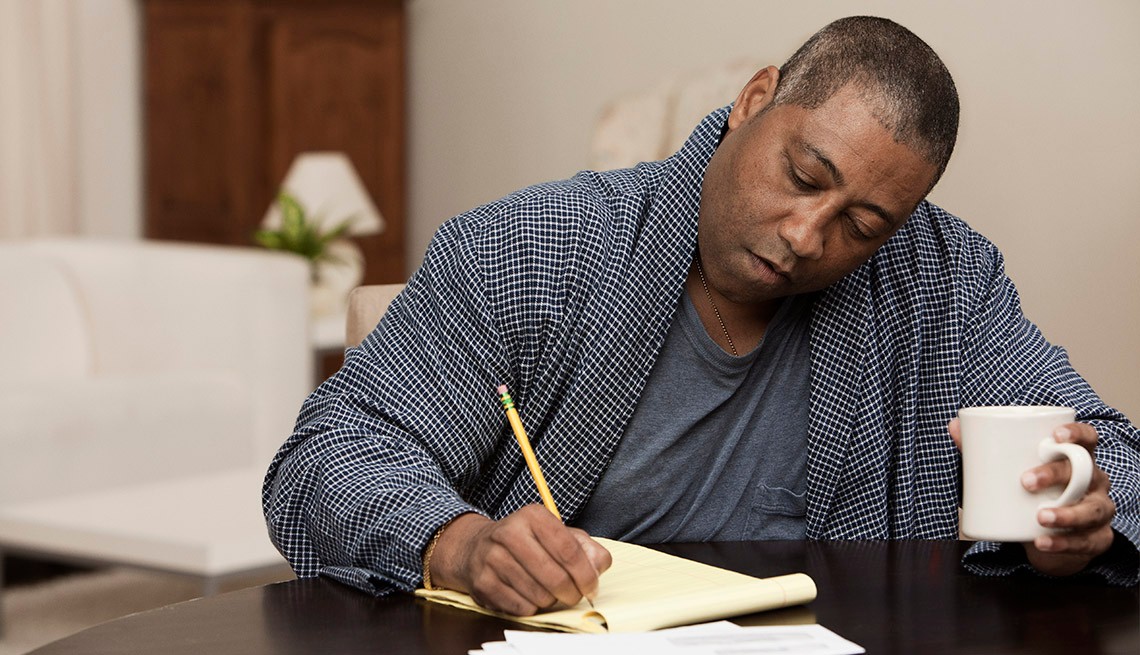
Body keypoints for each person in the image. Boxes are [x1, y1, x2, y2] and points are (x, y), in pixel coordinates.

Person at [262, 16, 1139, 615]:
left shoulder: (941, 277)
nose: (805, 236)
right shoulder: (534, 246)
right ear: (756, 100)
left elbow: (1115, 459)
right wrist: (457, 544)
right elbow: (324, 458)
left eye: (861, 226)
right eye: (803, 176)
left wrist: (1074, 532)